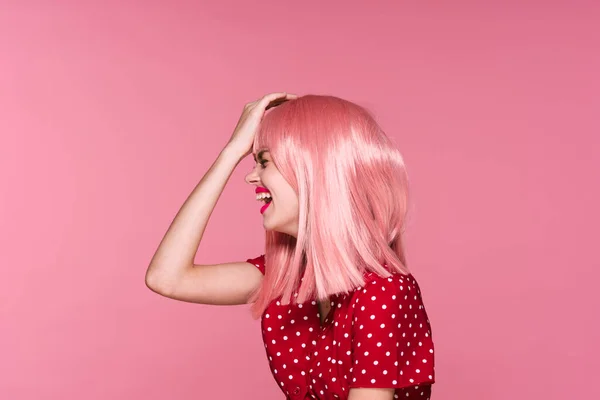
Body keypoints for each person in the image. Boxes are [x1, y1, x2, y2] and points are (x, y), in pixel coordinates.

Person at [145, 92, 435, 400]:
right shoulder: (283, 278)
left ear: (313, 172)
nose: (251, 176)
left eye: (264, 162)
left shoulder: (384, 290)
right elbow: (166, 277)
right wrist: (230, 153)